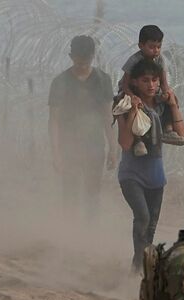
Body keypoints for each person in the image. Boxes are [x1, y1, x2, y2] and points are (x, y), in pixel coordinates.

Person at [116, 58, 184, 271]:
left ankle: (140, 266)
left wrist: (173, 103)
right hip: (131, 175)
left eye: (155, 80)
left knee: (151, 227)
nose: (151, 85)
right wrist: (134, 113)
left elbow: (182, 135)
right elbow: (125, 143)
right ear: (135, 82)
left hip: (156, 177)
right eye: (145, 80)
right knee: (142, 217)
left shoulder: (163, 106)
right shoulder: (124, 105)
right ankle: (139, 266)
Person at [48, 35, 117, 223]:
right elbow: (53, 120)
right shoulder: (60, 82)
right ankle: (70, 231)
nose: (82, 67)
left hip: (94, 145)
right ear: (71, 56)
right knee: (69, 191)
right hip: (68, 145)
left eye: (86, 62)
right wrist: (55, 153)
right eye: (78, 62)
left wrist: (113, 148)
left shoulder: (103, 80)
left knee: (93, 192)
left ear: (93, 56)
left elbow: (107, 116)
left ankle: (90, 231)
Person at [119, 25, 171, 101]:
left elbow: (163, 82)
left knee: (171, 99)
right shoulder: (134, 60)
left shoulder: (160, 59)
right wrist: (132, 96)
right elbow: (125, 85)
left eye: (159, 47)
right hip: (129, 91)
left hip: (149, 89)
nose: (156, 50)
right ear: (141, 46)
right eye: (151, 47)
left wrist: (166, 94)